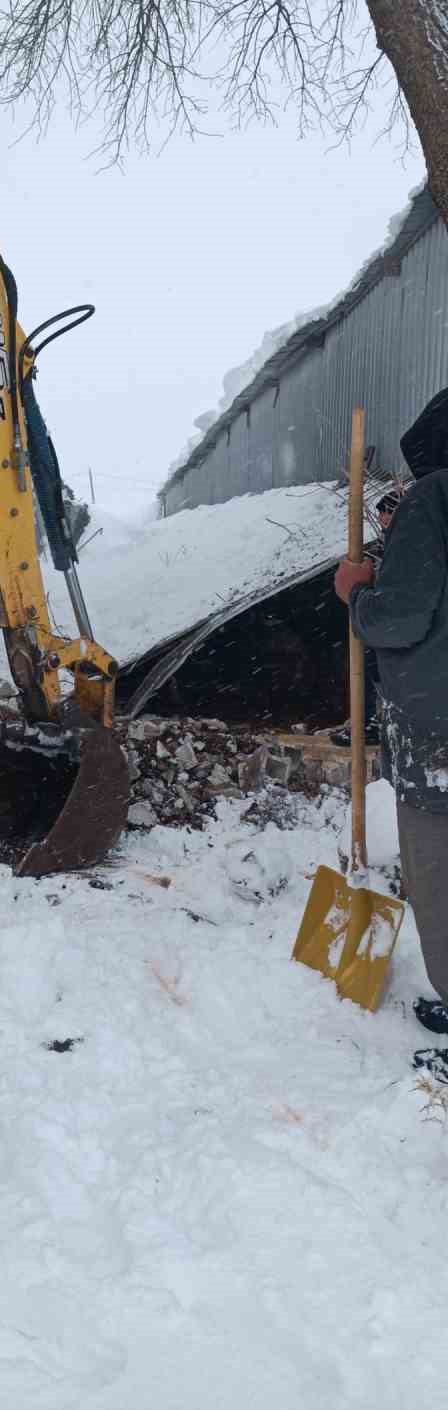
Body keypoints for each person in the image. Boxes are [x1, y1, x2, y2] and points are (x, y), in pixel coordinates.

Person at [334, 390, 448, 1083]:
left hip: (441, 737)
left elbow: (400, 619)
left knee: (438, 872)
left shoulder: (436, 499)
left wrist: (357, 592)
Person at [330, 488, 402, 748]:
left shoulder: (406, 541)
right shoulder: (390, 541)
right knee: (370, 670)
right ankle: (370, 723)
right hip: (385, 623)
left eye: (385, 515)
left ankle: (374, 725)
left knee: (379, 673)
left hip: (394, 625)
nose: (382, 521)